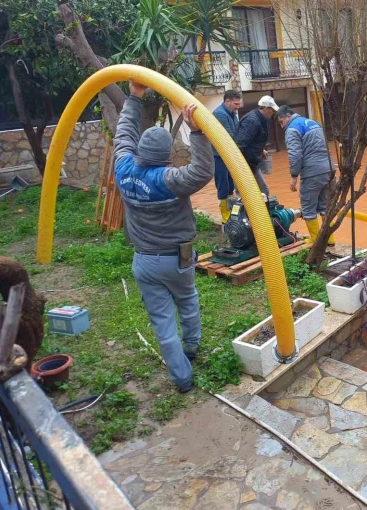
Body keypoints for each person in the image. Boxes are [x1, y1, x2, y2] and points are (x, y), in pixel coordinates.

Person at [113, 80, 214, 393]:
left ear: (141, 151)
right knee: (187, 299)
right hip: (177, 257)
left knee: (162, 321)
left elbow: (122, 136)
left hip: (144, 261)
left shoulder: (123, 168)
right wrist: (197, 132)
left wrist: (134, 96)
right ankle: (193, 347)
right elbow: (202, 172)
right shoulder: (169, 180)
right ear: (168, 156)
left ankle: (182, 379)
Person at [277, 105, 335, 246]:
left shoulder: (292, 129)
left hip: (312, 172)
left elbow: (295, 155)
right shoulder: (312, 123)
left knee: (308, 208)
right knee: (325, 206)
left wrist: (293, 176)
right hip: (329, 169)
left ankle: (315, 242)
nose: (281, 126)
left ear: (287, 116)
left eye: (281, 122)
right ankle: (330, 240)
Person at [234, 95, 278, 197]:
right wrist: (240, 167)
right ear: (266, 108)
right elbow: (240, 143)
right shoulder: (252, 121)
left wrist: (261, 149)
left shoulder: (259, 119)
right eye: (272, 110)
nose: (273, 113)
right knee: (260, 192)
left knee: (262, 192)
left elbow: (252, 139)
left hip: (252, 163)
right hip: (245, 164)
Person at [212, 90, 241, 224]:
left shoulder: (232, 113)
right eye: (235, 104)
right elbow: (230, 136)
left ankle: (231, 214)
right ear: (227, 101)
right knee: (223, 186)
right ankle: (225, 218)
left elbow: (237, 131)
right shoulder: (220, 114)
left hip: (228, 155)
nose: (237, 106)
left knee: (230, 186)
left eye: (238, 104)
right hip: (218, 156)